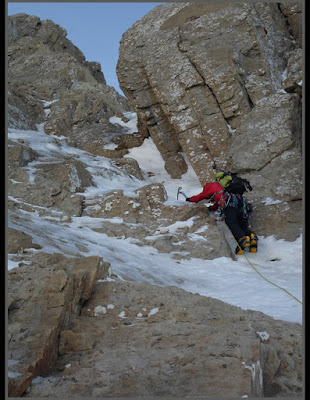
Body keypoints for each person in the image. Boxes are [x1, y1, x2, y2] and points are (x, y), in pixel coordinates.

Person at [186, 180, 258, 255]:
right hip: (240, 203)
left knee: (231, 222)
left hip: (230, 203)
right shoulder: (225, 189)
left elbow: (201, 196)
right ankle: (252, 237)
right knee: (241, 225)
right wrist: (211, 208)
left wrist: (190, 199)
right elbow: (218, 203)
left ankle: (242, 239)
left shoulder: (211, 186)